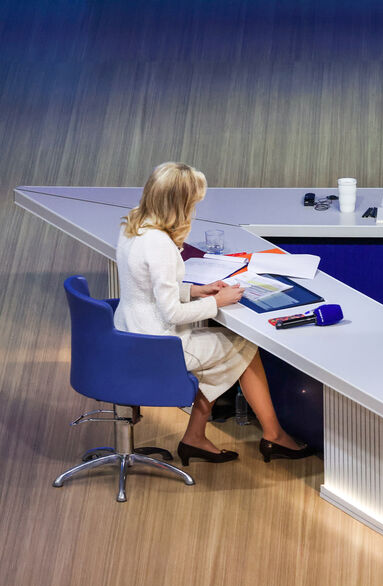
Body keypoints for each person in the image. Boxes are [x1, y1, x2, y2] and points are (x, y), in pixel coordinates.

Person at [114, 162, 312, 465]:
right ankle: (273, 434)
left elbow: (145, 290)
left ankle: (197, 437)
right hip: (161, 346)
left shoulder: (134, 225)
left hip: (130, 335)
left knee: (226, 353)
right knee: (245, 346)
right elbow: (171, 313)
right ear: (179, 203)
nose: (194, 209)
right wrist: (218, 302)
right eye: (193, 202)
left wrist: (196, 290)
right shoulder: (160, 244)